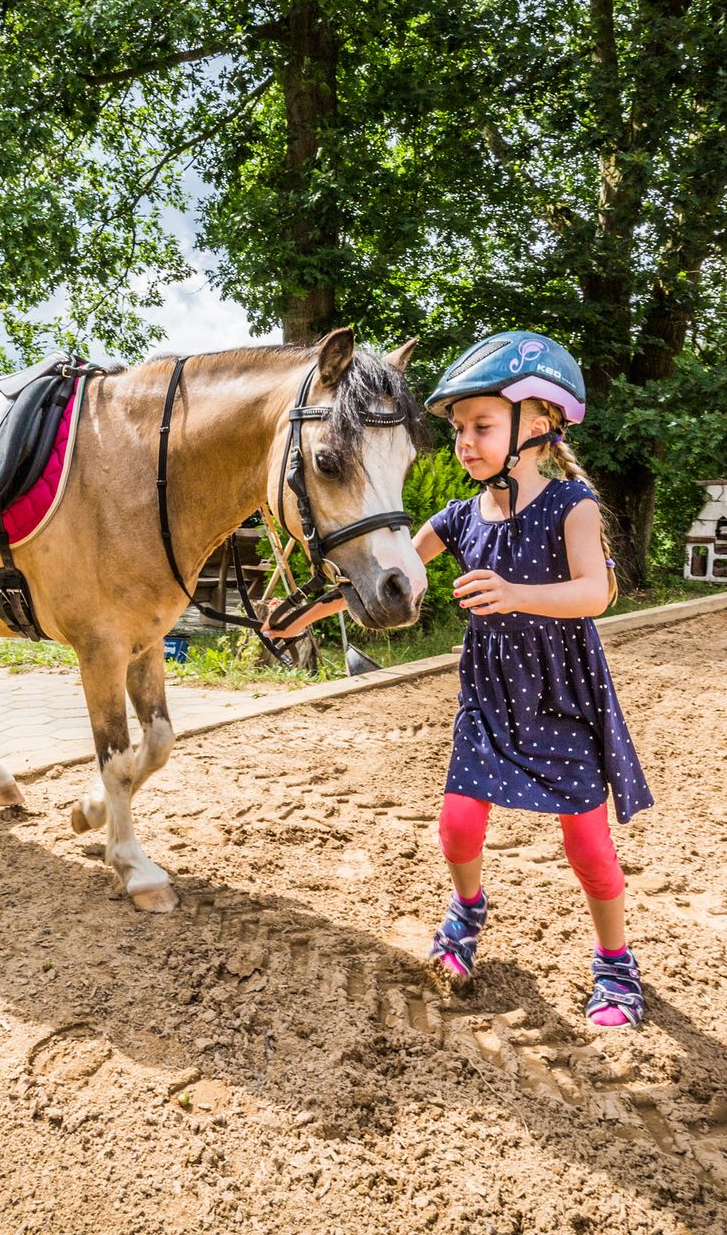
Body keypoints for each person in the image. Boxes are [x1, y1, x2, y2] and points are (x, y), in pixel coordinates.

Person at [272, 330, 654, 1027]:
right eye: (457, 430)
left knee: (590, 848)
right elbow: (400, 571)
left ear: (538, 423)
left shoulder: (573, 504)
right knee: (456, 825)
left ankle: (615, 963)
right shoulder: (458, 516)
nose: (464, 442)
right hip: (488, 698)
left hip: (560, 697)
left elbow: (597, 594)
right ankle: (467, 911)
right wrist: (309, 614)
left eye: (480, 426)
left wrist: (513, 594)